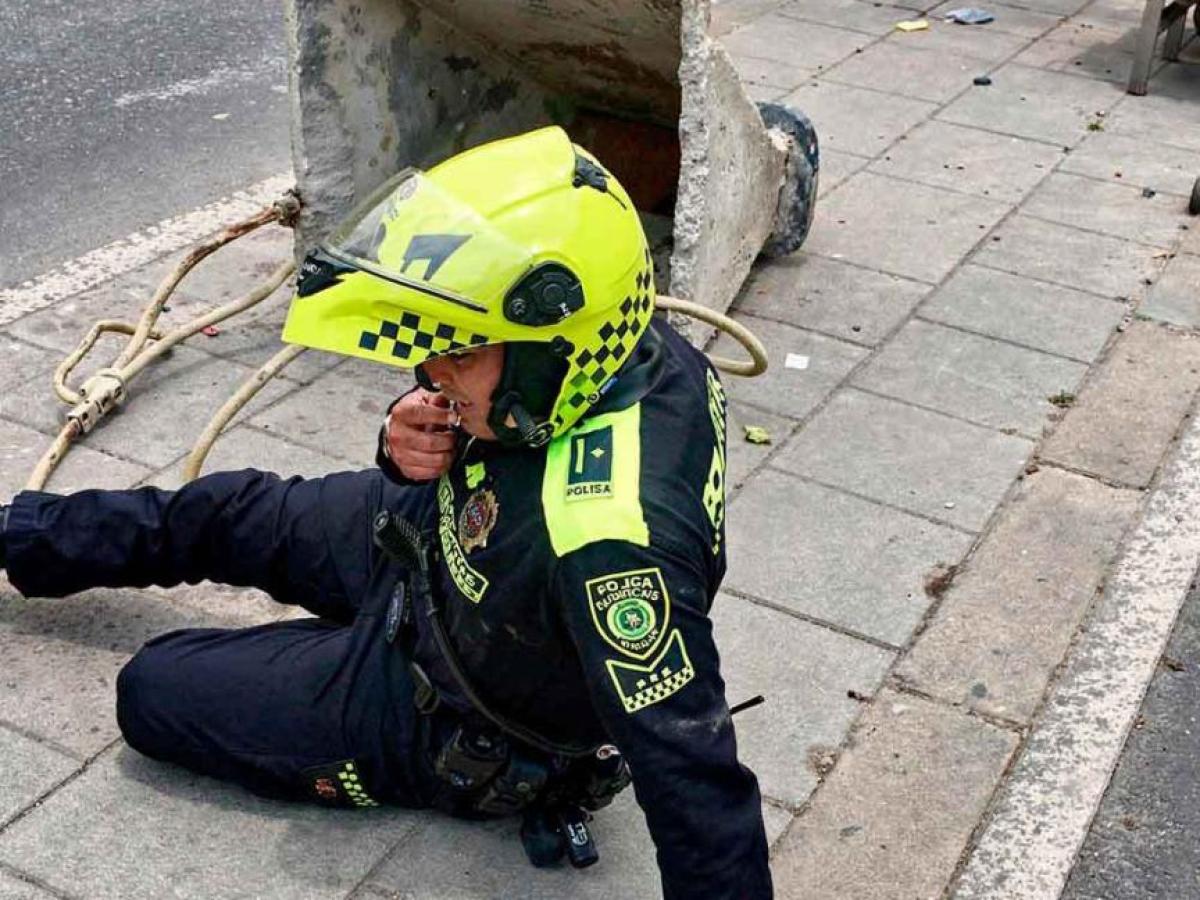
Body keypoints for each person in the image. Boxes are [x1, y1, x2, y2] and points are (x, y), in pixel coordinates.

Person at [0, 127, 771, 898]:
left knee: (155, 687)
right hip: (444, 540)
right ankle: (18, 536)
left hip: (446, 701)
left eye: (460, 355)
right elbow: (498, 409)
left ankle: (334, 677)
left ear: (552, 350)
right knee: (224, 508)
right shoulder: (620, 340)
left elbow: (694, 779)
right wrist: (405, 438)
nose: (433, 371)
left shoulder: (614, 550)